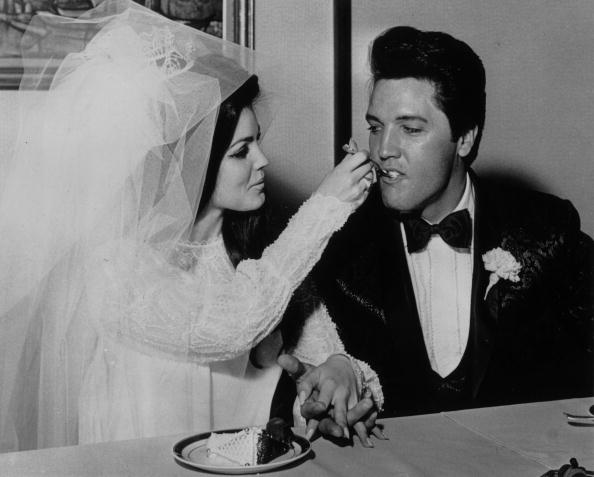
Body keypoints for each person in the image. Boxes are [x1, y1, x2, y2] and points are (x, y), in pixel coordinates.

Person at [0, 0, 382, 451]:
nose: (263, 161)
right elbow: (227, 325)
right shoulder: (116, 264)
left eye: (257, 142)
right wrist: (325, 207)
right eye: (241, 151)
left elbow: (327, 354)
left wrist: (341, 371)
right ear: (190, 165)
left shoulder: (259, 253)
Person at [309, 26, 594, 418]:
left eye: (410, 129)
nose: (383, 150)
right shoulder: (340, 242)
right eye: (375, 127)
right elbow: (309, 368)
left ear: (464, 139)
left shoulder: (545, 228)